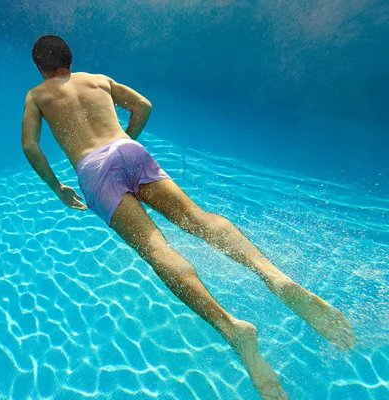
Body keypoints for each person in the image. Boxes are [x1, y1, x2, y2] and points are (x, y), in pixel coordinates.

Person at [21, 35, 356, 400]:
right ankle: (273, 276)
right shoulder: (98, 79)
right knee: (199, 218)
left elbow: (30, 146)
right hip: (128, 149)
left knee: (154, 247)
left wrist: (58, 188)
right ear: (70, 58)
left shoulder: (37, 95)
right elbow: (144, 106)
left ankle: (231, 328)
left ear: (40, 67)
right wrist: (126, 141)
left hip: (94, 170)